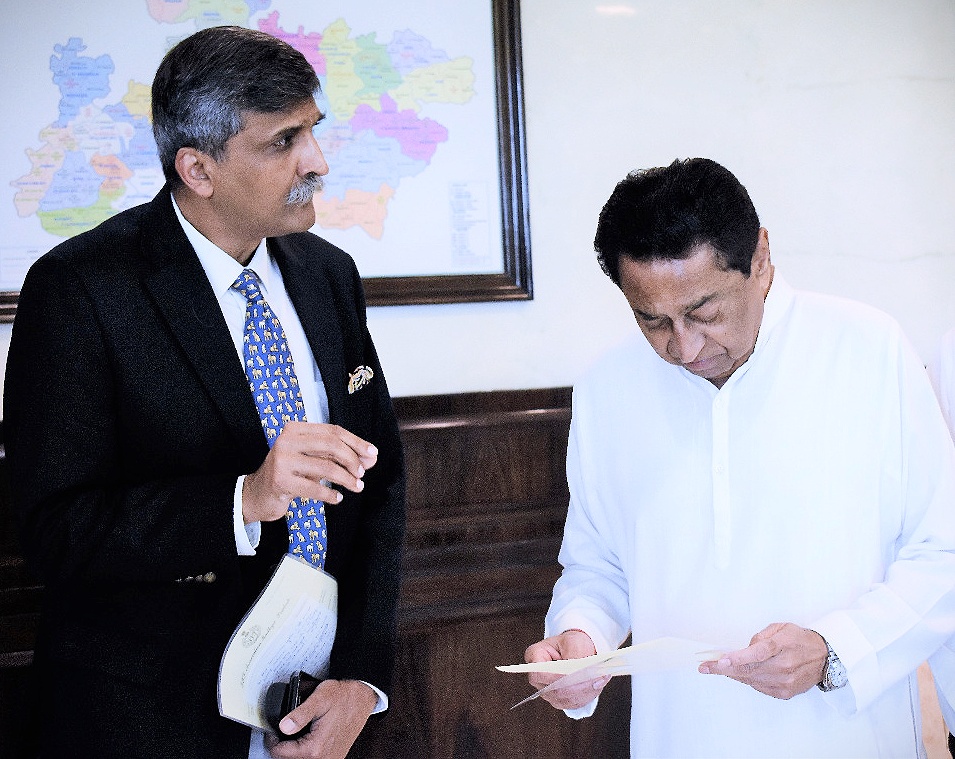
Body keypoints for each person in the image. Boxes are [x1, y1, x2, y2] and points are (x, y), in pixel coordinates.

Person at [3, 25, 405, 759]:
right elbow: (56, 530)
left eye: (312, 131)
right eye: (283, 142)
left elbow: (379, 486)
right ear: (197, 168)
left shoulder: (329, 274)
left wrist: (360, 678)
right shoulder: (79, 289)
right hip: (148, 724)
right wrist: (242, 499)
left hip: (314, 711)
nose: (317, 161)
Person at [522, 158, 955, 757]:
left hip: (847, 733)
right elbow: (599, 565)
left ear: (761, 258)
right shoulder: (608, 388)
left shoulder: (866, 351)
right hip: (678, 733)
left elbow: (941, 551)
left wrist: (835, 650)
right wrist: (580, 636)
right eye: (653, 320)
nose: (684, 346)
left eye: (705, 313)